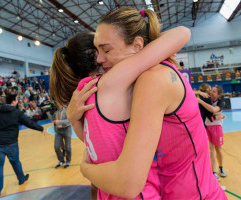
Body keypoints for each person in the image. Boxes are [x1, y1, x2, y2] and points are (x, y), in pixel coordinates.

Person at [67, 8, 227, 200]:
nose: (100, 60)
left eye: (107, 50)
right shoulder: (143, 78)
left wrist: (85, 169)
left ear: (137, 45)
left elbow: (127, 183)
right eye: (97, 51)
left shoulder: (152, 79)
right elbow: (114, 148)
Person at [50, 8, 191, 200]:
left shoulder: (86, 98)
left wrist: (74, 120)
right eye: (101, 50)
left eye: (106, 48)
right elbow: (183, 33)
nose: (103, 56)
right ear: (96, 61)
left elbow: (102, 143)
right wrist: (85, 168)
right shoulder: (111, 84)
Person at [197, 86, 227, 181]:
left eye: (214, 91)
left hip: (217, 127)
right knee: (211, 150)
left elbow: (213, 110)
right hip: (206, 127)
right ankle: (213, 172)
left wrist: (201, 102)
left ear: (218, 94)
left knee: (218, 149)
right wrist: (218, 116)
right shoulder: (207, 99)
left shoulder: (221, 101)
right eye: (211, 91)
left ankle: (221, 167)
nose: (211, 92)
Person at [47, 103, 72, 168]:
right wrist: (48, 113)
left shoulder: (67, 110)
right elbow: (53, 120)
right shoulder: (55, 111)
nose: (56, 103)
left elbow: (69, 121)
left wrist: (60, 122)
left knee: (68, 147)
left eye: (58, 101)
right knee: (56, 146)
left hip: (66, 130)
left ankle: (68, 161)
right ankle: (61, 161)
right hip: (58, 131)